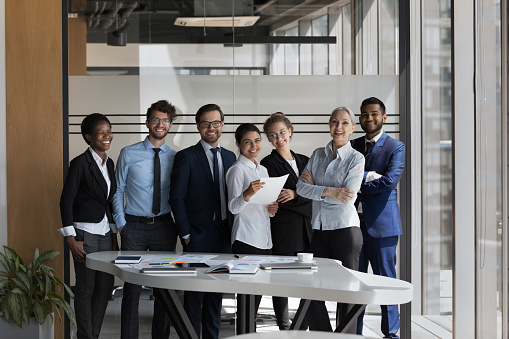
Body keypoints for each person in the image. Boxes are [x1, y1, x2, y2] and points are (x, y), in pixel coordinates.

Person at [112, 100, 178, 339]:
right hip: (134, 227)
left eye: (165, 120)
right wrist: (121, 224)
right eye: (155, 119)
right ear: (148, 122)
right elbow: (117, 190)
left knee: (163, 289)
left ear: (170, 125)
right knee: (131, 289)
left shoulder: (176, 157)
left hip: (164, 226)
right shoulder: (128, 153)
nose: (160, 124)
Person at [170, 103, 236, 339]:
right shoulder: (186, 156)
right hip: (196, 236)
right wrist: (186, 234)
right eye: (206, 123)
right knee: (194, 299)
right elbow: (176, 198)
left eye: (216, 123)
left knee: (215, 299)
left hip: (223, 236)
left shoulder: (230, 157)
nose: (211, 127)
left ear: (222, 125)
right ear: (198, 127)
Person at [296, 106, 364, 333]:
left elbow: (348, 197)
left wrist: (317, 188)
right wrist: (330, 191)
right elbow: (300, 188)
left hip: (345, 230)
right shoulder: (317, 154)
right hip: (320, 229)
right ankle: (325, 336)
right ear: (329, 125)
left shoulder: (356, 158)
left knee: (346, 292)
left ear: (352, 127)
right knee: (312, 289)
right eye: (335, 122)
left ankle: (345, 338)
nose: (339, 127)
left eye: (345, 123)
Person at [59, 113, 117, 339]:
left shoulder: (109, 162)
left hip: (104, 233)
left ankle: (93, 334)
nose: (107, 136)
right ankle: (85, 336)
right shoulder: (80, 163)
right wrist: (70, 238)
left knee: (105, 288)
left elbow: (109, 201)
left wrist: (113, 234)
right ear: (88, 136)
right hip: (84, 234)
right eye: (101, 132)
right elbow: (66, 201)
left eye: (108, 131)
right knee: (85, 289)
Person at [352, 97, 405, 339]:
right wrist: (369, 176)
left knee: (387, 283)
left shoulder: (396, 147)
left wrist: (359, 181)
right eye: (364, 114)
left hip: (383, 227)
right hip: (353, 226)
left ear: (384, 117)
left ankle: (391, 334)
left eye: (374, 114)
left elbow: (389, 181)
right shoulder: (352, 146)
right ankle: (354, 332)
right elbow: (343, 180)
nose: (369, 118)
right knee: (355, 284)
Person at [260, 113, 312, 330]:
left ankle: (301, 325)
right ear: (269, 140)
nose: (279, 138)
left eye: (282, 132)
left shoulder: (305, 160)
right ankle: (283, 325)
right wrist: (303, 192)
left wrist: (296, 194)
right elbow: (278, 197)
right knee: (281, 280)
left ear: (290, 131)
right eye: (273, 135)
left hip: (308, 229)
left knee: (308, 281)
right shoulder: (268, 163)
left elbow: (317, 195)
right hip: (284, 230)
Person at [225, 123, 279, 318]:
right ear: (239, 144)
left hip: (264, 239)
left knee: (256, 296)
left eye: (257, 141)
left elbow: (265, 207)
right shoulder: (237, 170)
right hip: (246, 239)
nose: (254, 146)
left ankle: (249, 331)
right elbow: (233, 207)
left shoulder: (263, 170)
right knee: (247, 298)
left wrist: (272, 209)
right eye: (247, 142)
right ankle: (245, 333)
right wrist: (247, 193)